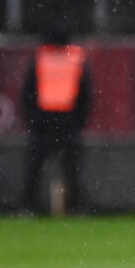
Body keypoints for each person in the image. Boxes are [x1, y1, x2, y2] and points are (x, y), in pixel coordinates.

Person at [21, 31, 92, 214]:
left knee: (35, 169)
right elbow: (86, 95)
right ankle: (76, 207)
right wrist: (78, 121)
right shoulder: (76, 59)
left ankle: (30, 206)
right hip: (67, 123)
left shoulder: (41, 59)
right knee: (71, 170)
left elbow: (27, 94)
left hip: (44, 123)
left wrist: (34, 120)